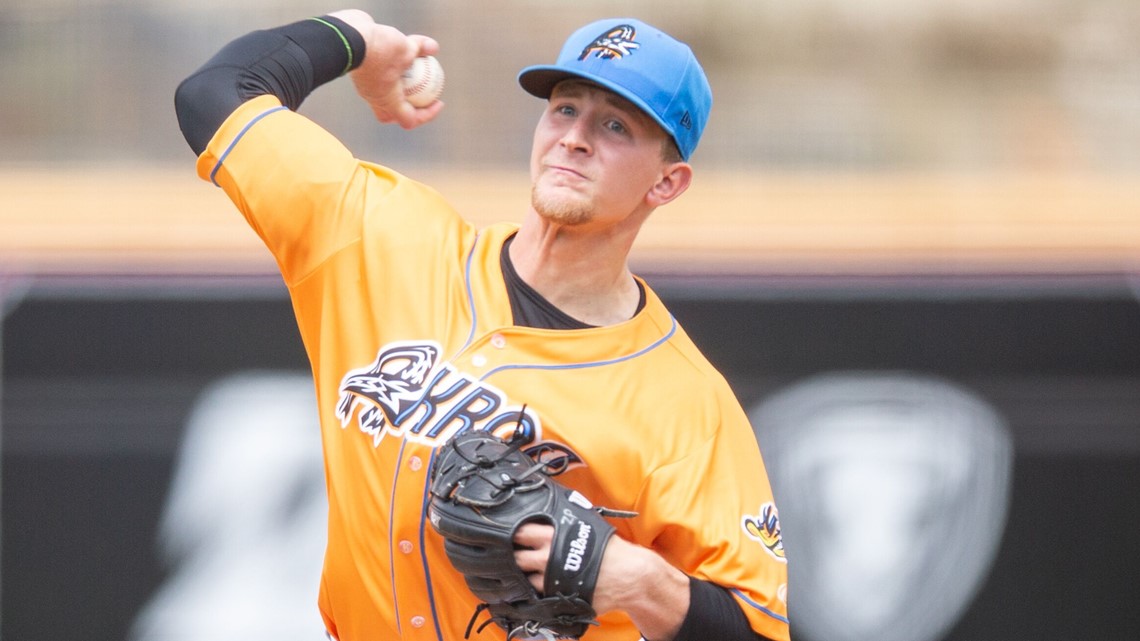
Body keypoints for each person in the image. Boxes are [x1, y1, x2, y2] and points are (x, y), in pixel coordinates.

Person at [175, 9, 790, 641]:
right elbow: (215, 95)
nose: (575, 138)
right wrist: (356, 38)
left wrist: (643, 582)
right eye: (565, 108)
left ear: (667, 182)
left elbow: (757, 628)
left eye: (615, 125)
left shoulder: (686, 402)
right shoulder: (381, 239)